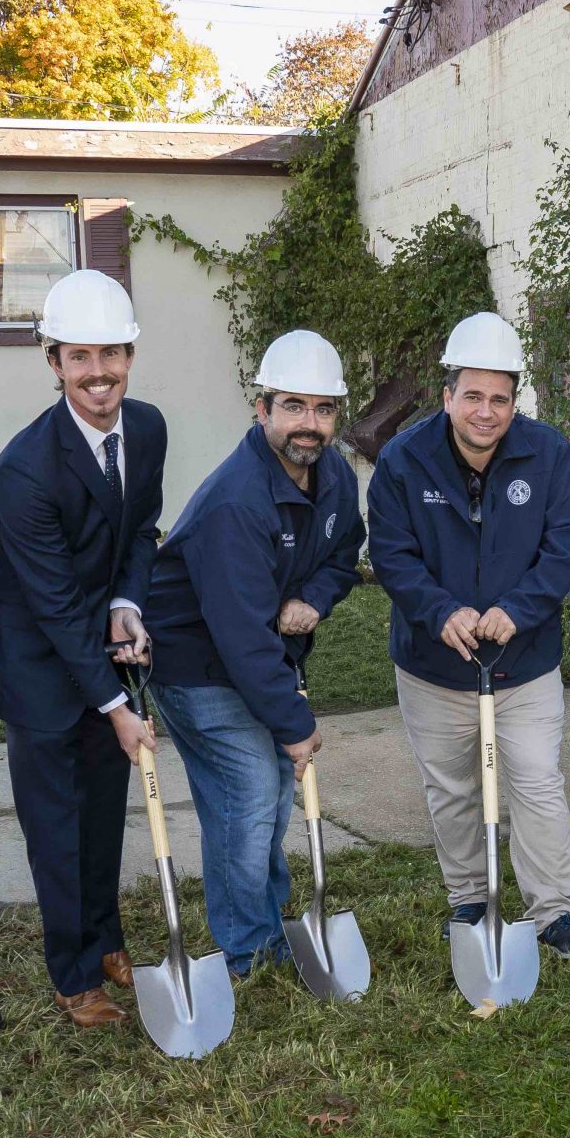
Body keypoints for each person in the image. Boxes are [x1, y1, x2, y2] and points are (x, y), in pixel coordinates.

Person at [367, 312, 570, 959]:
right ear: (447, 397)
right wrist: (439, 611)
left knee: (537, 780)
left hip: (523, 661)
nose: (486, 412)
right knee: (452, 789)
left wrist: (520, 608)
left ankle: (554, 911)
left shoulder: (549, 454)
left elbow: (569, 542)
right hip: (433, 663)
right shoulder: (403, 460)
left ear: (514, 402)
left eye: (500, 398)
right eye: (472, 396)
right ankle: (471, 897)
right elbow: (391, 551)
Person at [0, 269, 165, 1029]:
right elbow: (52, 606)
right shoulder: (25, 468)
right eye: (79, 357)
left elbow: (140, 529)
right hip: (38, 664)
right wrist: (116, 706)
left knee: (103, 813)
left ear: (130, 356)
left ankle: (105, 936)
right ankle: (74, 974)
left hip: (99, 642)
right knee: (57, 827)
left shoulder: (146, 428)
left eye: (111, 354)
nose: (98, 373)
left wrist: (126, 603)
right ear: (53, 361)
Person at [141, 330, 364, 977]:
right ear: (262, 409)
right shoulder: (237, 500)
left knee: (270, 794)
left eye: (323, 408)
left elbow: (345, 550)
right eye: (293, 406)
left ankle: (265, 918)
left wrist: (314, 597)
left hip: (255, 650)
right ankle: (248, 946)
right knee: (249, 790)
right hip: (195, 661)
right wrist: (294, 725)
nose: (309, 423)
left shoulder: (333, 477)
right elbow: (240, 635)